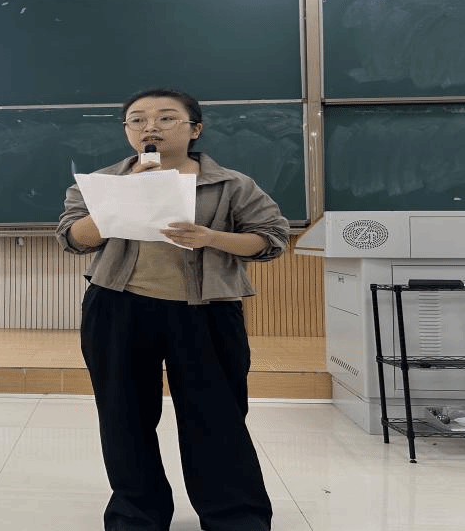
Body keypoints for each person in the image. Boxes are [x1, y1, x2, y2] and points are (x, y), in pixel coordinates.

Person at [55, 87, 289, 531]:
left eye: (166, 118)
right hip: (118, 308)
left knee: (217, 417)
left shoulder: (231, 184)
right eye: (137, 120)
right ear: (127, 130)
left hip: (206, 312)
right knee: (124, 417)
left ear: (194, 129)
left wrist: (211, 238)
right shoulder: (103, 183)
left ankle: (235, 516)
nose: (151, 127)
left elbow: (271, 239)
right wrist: (123, 198)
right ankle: (136, 515)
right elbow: (71, 239)